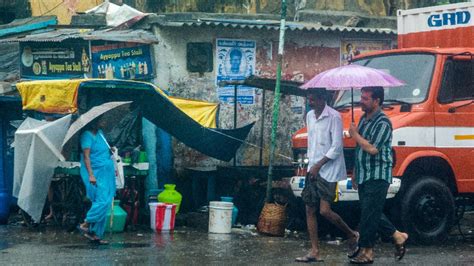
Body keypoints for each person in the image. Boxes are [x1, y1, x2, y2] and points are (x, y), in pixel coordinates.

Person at [296, 88, 359, 263]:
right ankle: (315, 250)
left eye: (314, 99)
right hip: (313, 168)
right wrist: (311, 165)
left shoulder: (334, 117)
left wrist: (318, 165)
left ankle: (352, 234)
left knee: (324, 210)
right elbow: (312, 143)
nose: (311, 102)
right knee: (309, 208)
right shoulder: (309, 116)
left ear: (323, 99)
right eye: (309, 100)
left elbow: (337, 148)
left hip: (328, 170)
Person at [348, 86, 408, 264]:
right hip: (364, 172)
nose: (362, 101)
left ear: (377, 101)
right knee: (369, 212)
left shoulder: (383, 122)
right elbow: (360, 149)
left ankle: (368, 252)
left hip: (378, 173)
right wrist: (355, 171)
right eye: (362, 97)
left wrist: (355, 135)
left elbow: (373, 148)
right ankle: (397, 236)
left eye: (366, 98)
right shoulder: (363, 119)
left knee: (369, 212)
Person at [77, 116, 115, 245]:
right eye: (101, 121)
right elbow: (87, 158)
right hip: (95, 173)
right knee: (102, 201)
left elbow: (104, 152)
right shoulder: (86, 136)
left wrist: (111, 151)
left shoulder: (101, 134)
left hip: (106, 173)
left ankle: (96, 234)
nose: (104, 122)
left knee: (106, 201)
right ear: (94, 122)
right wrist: (91, 175)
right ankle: (86, 223)